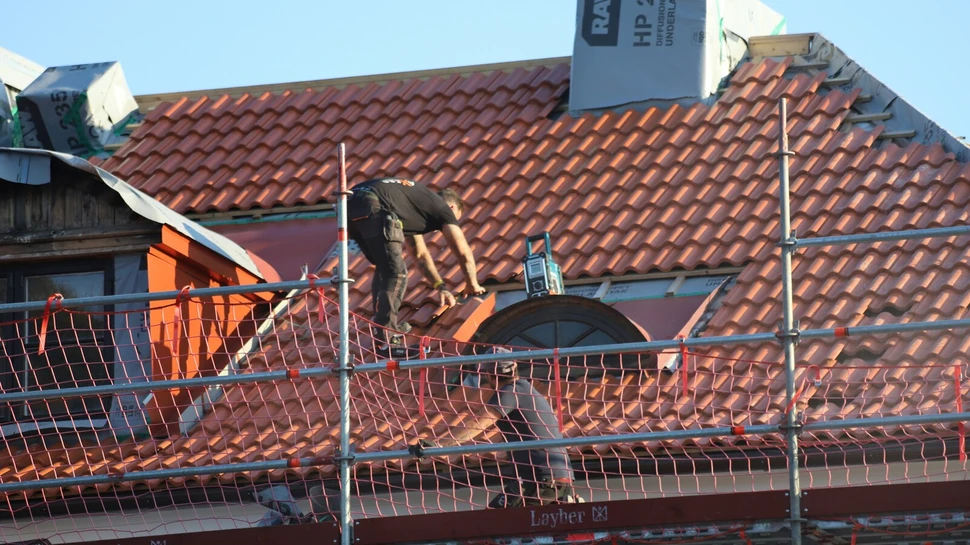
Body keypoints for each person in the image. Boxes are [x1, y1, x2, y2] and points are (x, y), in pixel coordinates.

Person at [411, 347, 581, 508]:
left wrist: (439, 445)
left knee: (489, 526)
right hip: (557, 479)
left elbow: (479, 423)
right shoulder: (526, 390)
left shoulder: (511, 391)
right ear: (514, 367)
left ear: (488, 375)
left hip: (539, 479)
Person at [347, 178, 486, 352]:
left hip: (349, 206)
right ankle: (386, 339)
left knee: (385, 268)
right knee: (396, 273)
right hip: (374, 206)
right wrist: (472, 283)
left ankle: (383, 329)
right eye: (454, 218)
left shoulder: (413, 206)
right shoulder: (442, 209)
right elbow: (463, 251)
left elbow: (420, 254)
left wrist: (440, 286)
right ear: (451, 208)